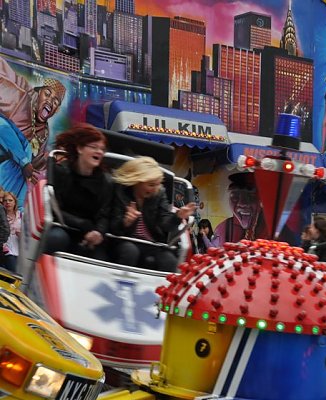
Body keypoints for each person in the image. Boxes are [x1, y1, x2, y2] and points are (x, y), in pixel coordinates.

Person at [109, 156, 196, 272]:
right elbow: (113, 226)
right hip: (123, 239)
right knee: (130, 251)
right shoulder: (120, 191)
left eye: (157, 184)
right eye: (151, 185)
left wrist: (178, 216)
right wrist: (126, 222)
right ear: (137, 181)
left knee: (169, 260)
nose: (155, 189)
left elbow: (165, 224)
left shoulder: (159, 193)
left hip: (150, 243)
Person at [0, 58, 65, 204]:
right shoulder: (19, 96)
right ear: (38, 92)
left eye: (55, 101)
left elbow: (35, 164)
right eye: (47, 94)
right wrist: (23, 162)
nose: (50, 101)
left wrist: (53, 160)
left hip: (11, 187)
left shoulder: (44, 132)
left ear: (56, 109)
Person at [44, 124, 112, 259]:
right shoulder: (61, 172)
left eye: (102, 149)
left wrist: (98, 232)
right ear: (80, 148)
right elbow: (54, 209)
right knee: (57, 238)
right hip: (63, 226)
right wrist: (83, 225)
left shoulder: (106, 181)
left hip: (91, 233)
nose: (99, 152)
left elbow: (105, 214)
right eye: (94, 147)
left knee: (103, 253)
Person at [213, 173, 268, 244]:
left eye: (250, 196)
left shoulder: (271, 228)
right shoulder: (222, 229)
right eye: (235, 196)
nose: (242, 204)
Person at [2, 191, 21, 271]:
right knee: (13, 271)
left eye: (10, 200)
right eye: (5, 200)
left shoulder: (21, 215)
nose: (7, 202)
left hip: (19, 248)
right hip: (6, 248)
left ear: (15, 202)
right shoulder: (2, 215)